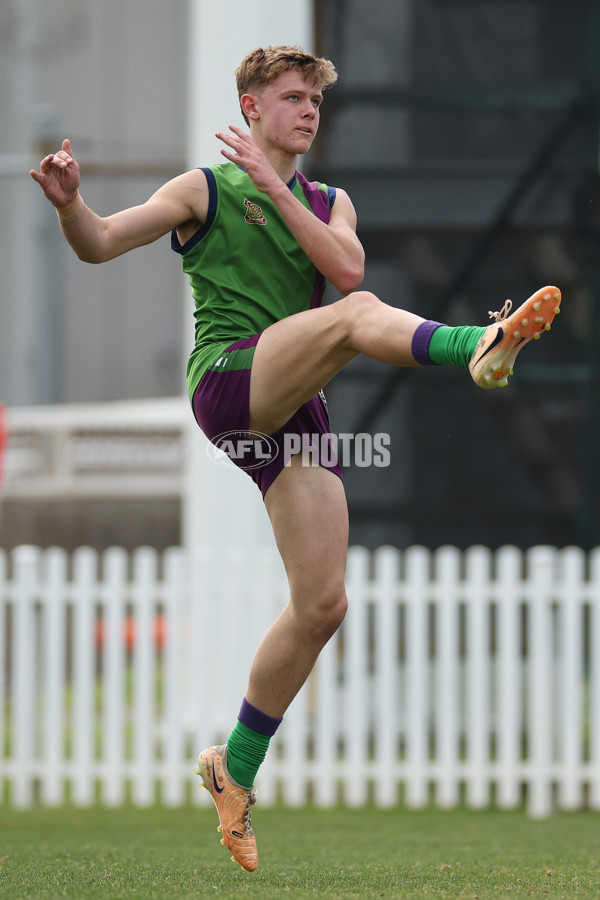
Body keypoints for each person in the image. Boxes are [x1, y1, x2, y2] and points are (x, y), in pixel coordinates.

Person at [30, 45, 561, 872]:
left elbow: (345, 261)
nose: (308, 111)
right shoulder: (202, 189)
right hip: (231, 382)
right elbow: (97, 242)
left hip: (293, 407)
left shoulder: (326, 199)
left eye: (315, 98)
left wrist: (281, 189)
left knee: (323, 605)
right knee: (358, 316)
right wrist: (69, 204)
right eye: (291, 97)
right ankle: (476, 344)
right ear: (250, 109)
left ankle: (232, 770)